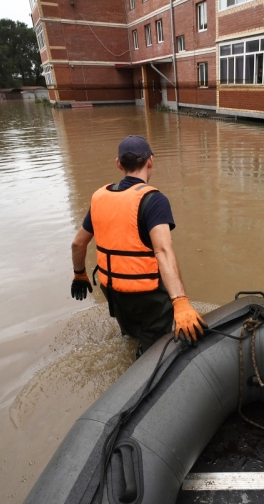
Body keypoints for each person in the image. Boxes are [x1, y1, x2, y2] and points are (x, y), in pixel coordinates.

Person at [70, 135, 206, 358]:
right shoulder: (154, 200)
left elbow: (78, 244)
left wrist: (79, 275)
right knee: (154, 351)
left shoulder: (99, 197)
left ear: (119, 164)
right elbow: (162, 250)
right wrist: (180, 302)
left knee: (131, 336)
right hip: (147, 294)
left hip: (113, 289)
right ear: (150, 161)